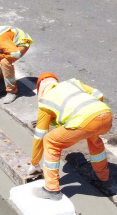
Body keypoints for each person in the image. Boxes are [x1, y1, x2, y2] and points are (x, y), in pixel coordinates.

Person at [27, 72, 112, 200]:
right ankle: (103, 177)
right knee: (93, 137)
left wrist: (34, 163)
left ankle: (51, 189)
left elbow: (39, 136)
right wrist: (91, 113)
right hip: (105, 115)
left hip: (84, 121)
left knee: (50, 141)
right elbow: (98, 95)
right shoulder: (72, 83)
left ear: (40, 90)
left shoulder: (46, 101)